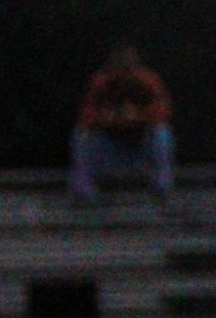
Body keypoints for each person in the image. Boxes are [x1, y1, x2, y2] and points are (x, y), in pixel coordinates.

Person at [70, 46, 175, 204]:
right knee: (82, 135)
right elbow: (86, 115)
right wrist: (105, 119)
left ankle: (161, 187)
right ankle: (84, 191)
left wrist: (139, 117)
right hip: (110, 149)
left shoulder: (149, 81)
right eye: (120, 60)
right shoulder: (101, 82)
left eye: (128, 60)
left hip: (140, 149)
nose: (124, 64)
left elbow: (163, 111)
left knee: (162, 133)